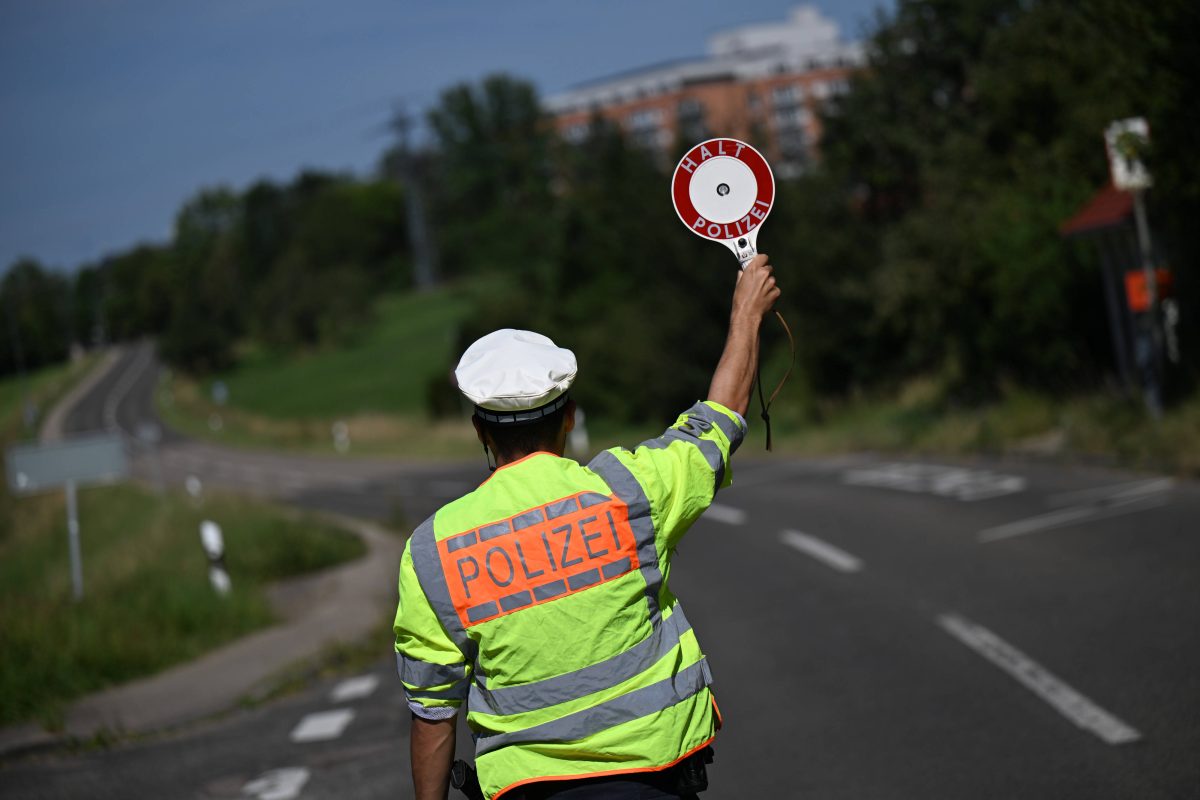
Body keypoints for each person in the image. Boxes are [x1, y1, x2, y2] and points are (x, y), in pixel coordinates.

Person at [394, 255, 780, 799]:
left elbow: (433, 717)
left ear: (481, 431)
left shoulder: (432, 551)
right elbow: (720, 418)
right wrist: (746, 313)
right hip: (655, 784)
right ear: (570, 416)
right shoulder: (629, 490)